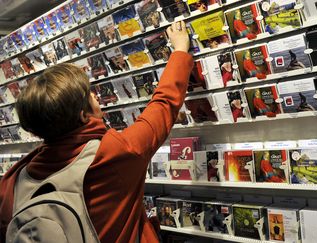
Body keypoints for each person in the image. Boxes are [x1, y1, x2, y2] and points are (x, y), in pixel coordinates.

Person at [0, 21, 192, 243]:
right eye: (90, 94)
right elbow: (163, 104)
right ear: (83, 115)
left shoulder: (11, 183)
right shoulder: (115, 154)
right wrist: (179, 50)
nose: (96, 96)